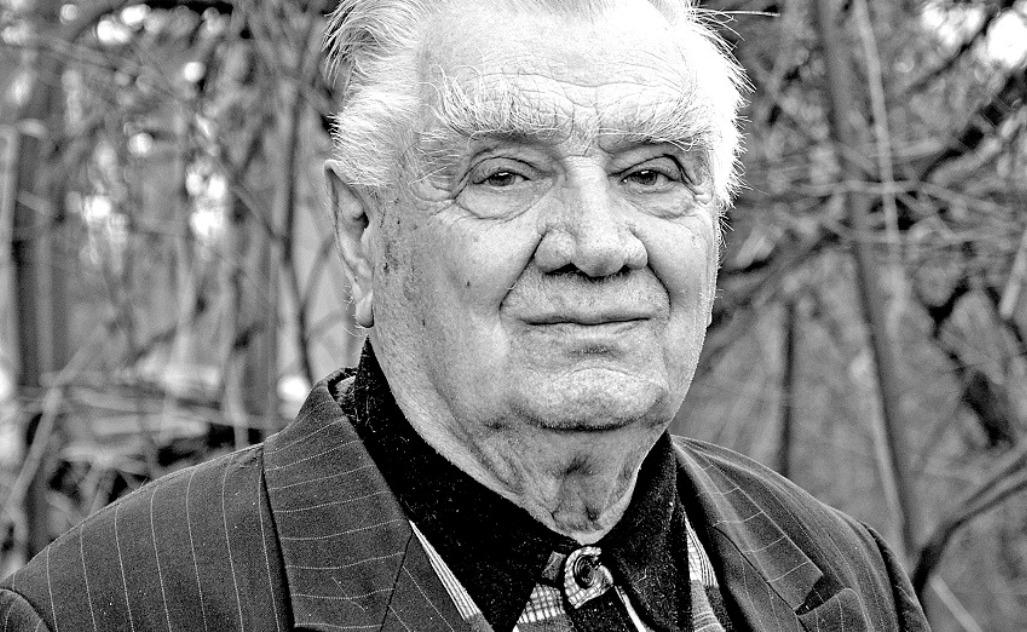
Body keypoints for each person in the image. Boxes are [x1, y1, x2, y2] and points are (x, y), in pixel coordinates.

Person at [1, 1, 931, 630]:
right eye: (504, 175)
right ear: (363, 235)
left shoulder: (846, 576)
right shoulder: (109, 607)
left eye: (651, 173)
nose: (597, 244)